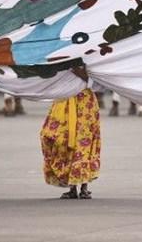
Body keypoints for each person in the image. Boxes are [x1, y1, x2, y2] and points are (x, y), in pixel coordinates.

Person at [40, 65, 101, 199]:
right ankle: (71, 185)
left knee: (83, 143)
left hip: (85, 103)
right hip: (64, 99)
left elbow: (98, 82)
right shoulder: (62, 58)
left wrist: (79, 71)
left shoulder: (91, 58)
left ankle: (83, 186)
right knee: (57, 137)